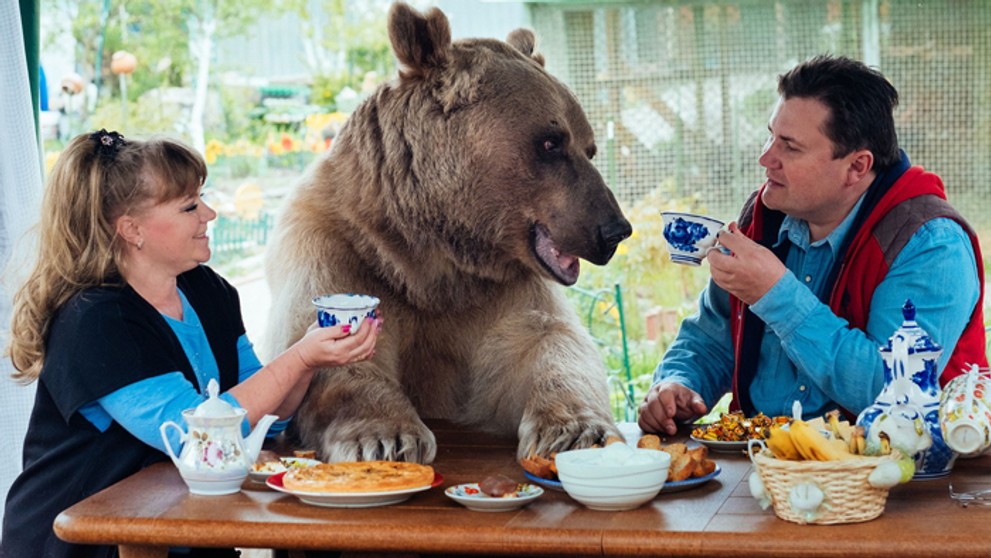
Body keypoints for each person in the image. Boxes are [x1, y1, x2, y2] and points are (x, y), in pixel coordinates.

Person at [1, 130, 381, 558]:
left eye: (203, 197)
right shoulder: (95, 321)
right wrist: (299, 357)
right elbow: (196, 437)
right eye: (189, 206)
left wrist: (313, 357)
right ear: (131, 229)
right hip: (84, 543)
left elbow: (262, 420)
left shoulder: (207, 290)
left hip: (179, 530)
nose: (210, 213)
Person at [639, 55, 986, 436]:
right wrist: (678, 385)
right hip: (764, 465)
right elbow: (712, 337)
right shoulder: (764, 215)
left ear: (856, 166)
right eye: (771, 135)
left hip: (893, 479)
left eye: (789, 146)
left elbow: (896, 394)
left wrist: (775, 294)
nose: (765, 158)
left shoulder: (930, 244)